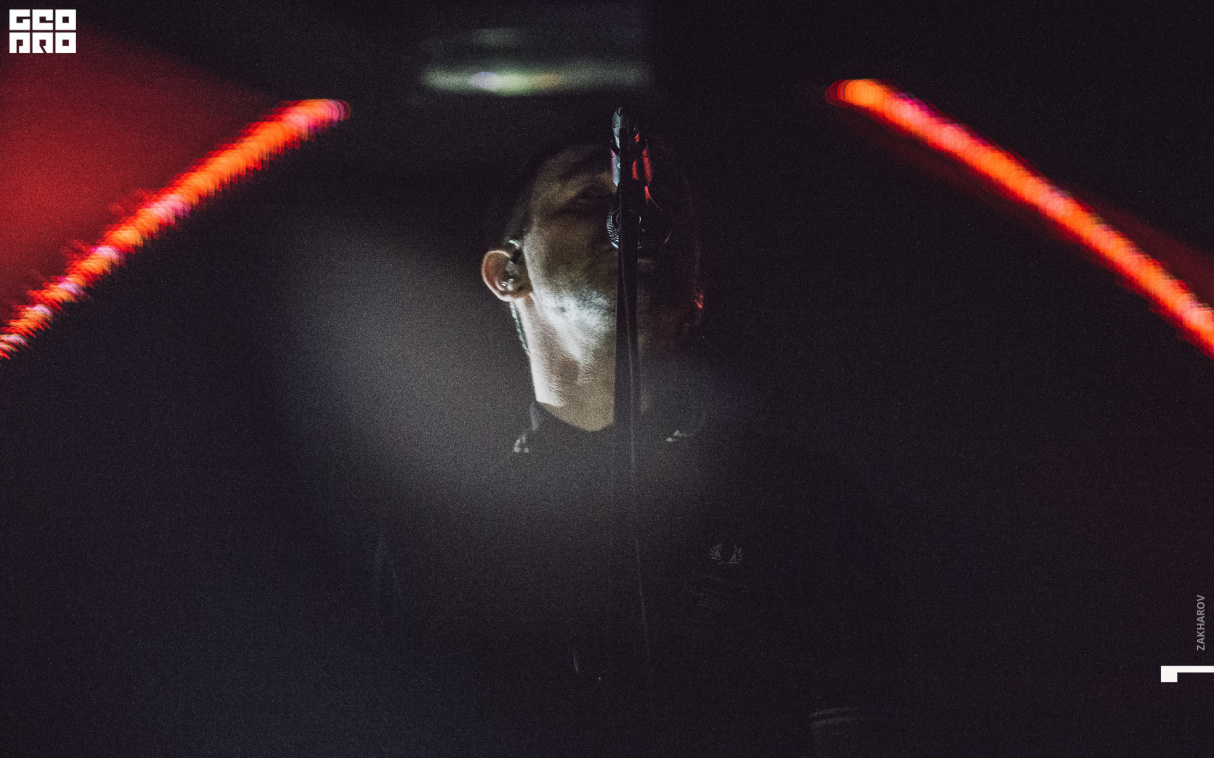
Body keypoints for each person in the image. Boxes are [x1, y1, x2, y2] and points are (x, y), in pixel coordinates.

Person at [374, 127, 901, 756]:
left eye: (659, 207)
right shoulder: (441, 525)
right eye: (589, 201)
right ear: (508, 273)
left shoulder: (800, 499)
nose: (638, 222)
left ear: (697, 285)